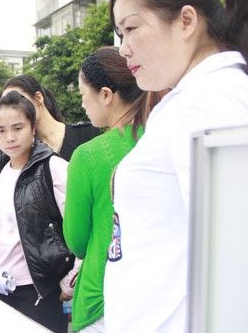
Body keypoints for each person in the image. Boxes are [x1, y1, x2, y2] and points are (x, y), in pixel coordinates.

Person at [104, 0, 248, 333]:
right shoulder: (193, 100)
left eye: (131, 28)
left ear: (186, 21)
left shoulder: (211, 102)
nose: (123, 48)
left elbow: (240, 260)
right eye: (120, 35)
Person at [63, 47, 162, 332]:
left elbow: (77, 241)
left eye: (83, 94)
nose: (83, 104)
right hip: (156, 295)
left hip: (101, 299)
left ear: (106, 95)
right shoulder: (162, 139)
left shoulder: (88, 156)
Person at [0, 91, 73, 333]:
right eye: (0, 130)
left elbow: (82, 230)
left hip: (39, 293)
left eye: (17, 128)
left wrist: (69, 281)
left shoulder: (54, 169)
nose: (9, 137)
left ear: (33, 127)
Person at [3, 75, 101, 161]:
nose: (13, 111)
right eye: (6, 106)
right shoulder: (23, 154)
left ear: (38, 97)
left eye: (17, 101)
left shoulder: (86, 134)